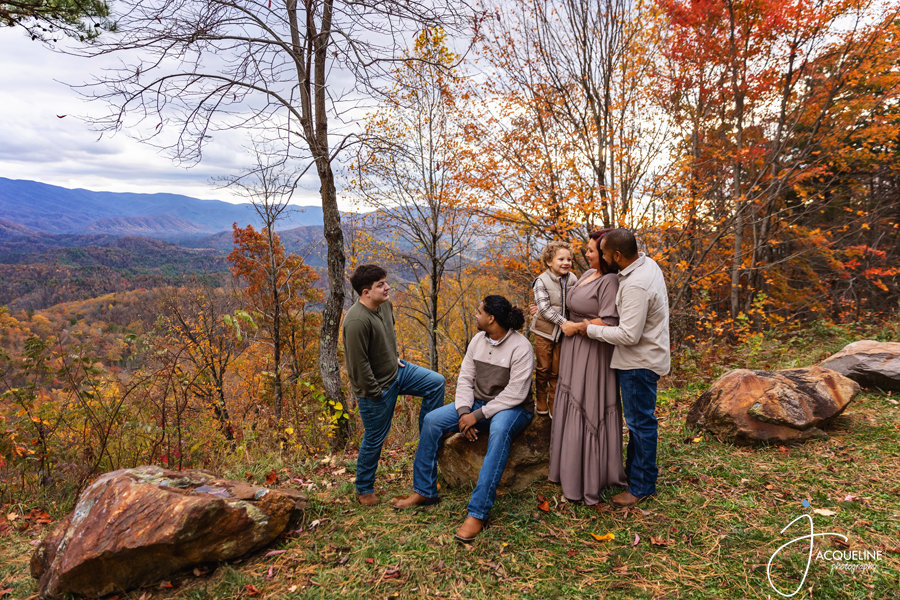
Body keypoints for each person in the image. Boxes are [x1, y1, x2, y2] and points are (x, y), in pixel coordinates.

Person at [391, 295, 534, 543]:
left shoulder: (521, 347)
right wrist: (463, 414)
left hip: (512, 408)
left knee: (499, 432)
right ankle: (424, 491)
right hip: (476, 405)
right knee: (433, 421)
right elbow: (465, 379)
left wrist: (476, 416)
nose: (475, 316)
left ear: (491, 318)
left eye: (479, 312)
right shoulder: (478, 340)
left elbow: (516, 393)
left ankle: (478, 513)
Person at [577, 228, 670, 507]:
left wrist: (589, 329)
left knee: (640, 424)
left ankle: (641, 488)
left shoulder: (636, 285)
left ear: (618, 255)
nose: (603, 258)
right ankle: (634, 475)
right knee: (640, 422)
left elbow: (629, 335)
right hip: (644, 356)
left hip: (638, 363)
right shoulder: (646, 262)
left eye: (605, 253)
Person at [342, 264, 446, 506]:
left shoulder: (385, 305)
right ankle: (364, 489)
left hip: (398, 371)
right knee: (375, 438)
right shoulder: (356, 321)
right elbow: (357, 364)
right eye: (380, 285)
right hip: (375, 389)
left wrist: (393, 356)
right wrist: (376, 392)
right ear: (366, 292)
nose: (387, 287)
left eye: (385, 282)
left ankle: (427, 437)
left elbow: (388, 335)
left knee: (436, 382)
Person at [548, 229, 626, 505]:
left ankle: (589, 476)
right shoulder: (584, 275)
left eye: (591, 251)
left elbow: (609, 321)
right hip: (573, 348)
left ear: (606, 256)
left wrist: (578, 328)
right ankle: (567, 468)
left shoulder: (609, 281)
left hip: (593, 350)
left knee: (587, 404)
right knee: (570, 399)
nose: (586, 254)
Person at [531, 241, 578, 418]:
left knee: (557, 369)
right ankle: (541, 397)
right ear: (549, 261)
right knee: (543, 367)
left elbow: (577, 301)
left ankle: (554, 400)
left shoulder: (573, 279)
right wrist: (563, 322)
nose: (566, 262)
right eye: (561, 259)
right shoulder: (541, 281)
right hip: (544, 332)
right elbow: (543, 308)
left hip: (563, 333)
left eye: (569, 259)